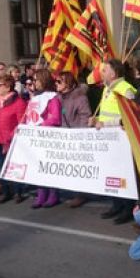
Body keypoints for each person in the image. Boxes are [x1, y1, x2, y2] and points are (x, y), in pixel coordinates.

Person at [92, 59, 137, 222]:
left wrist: (106, 123)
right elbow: (107, 113)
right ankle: (116, 204)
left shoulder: (126, 89)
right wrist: (96, 119)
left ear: (114, 73)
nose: (101, 73)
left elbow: (130, 117)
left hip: (121, 139)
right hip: (109, 138)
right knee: (111, 172)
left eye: (105, 70)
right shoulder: (107, 88)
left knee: (123, 174)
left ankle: (128, 208)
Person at [22, 68, 62, 208]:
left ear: (44, 80)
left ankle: (53, 194)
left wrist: (40, 125)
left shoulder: (52, 97)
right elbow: (28, 115)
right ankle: (41, 193)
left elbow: (55, 118)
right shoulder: (35, 97)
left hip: (47, 136)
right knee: (37, 165)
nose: (34, 83)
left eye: (36, 80)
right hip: (34, 136)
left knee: (48, 166)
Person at [0, 72, 27, 204]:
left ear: (8, 87)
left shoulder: (18, 102)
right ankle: (6, 191)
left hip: (11, 141)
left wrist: (10, 138)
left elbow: (21, 122)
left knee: (13, 167)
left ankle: (17, 191)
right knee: (0, 166)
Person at [56, 71, 92, 207]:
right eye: (56, 81)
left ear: (68, 83)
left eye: (60, 81)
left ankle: (80, 194)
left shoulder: (79, 98)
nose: (56, 84)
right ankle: (74, 191)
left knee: (77, 166)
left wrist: (81, 136)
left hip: (75, 136)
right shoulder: (59, 97)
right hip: (63, 135)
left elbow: (85, 116)